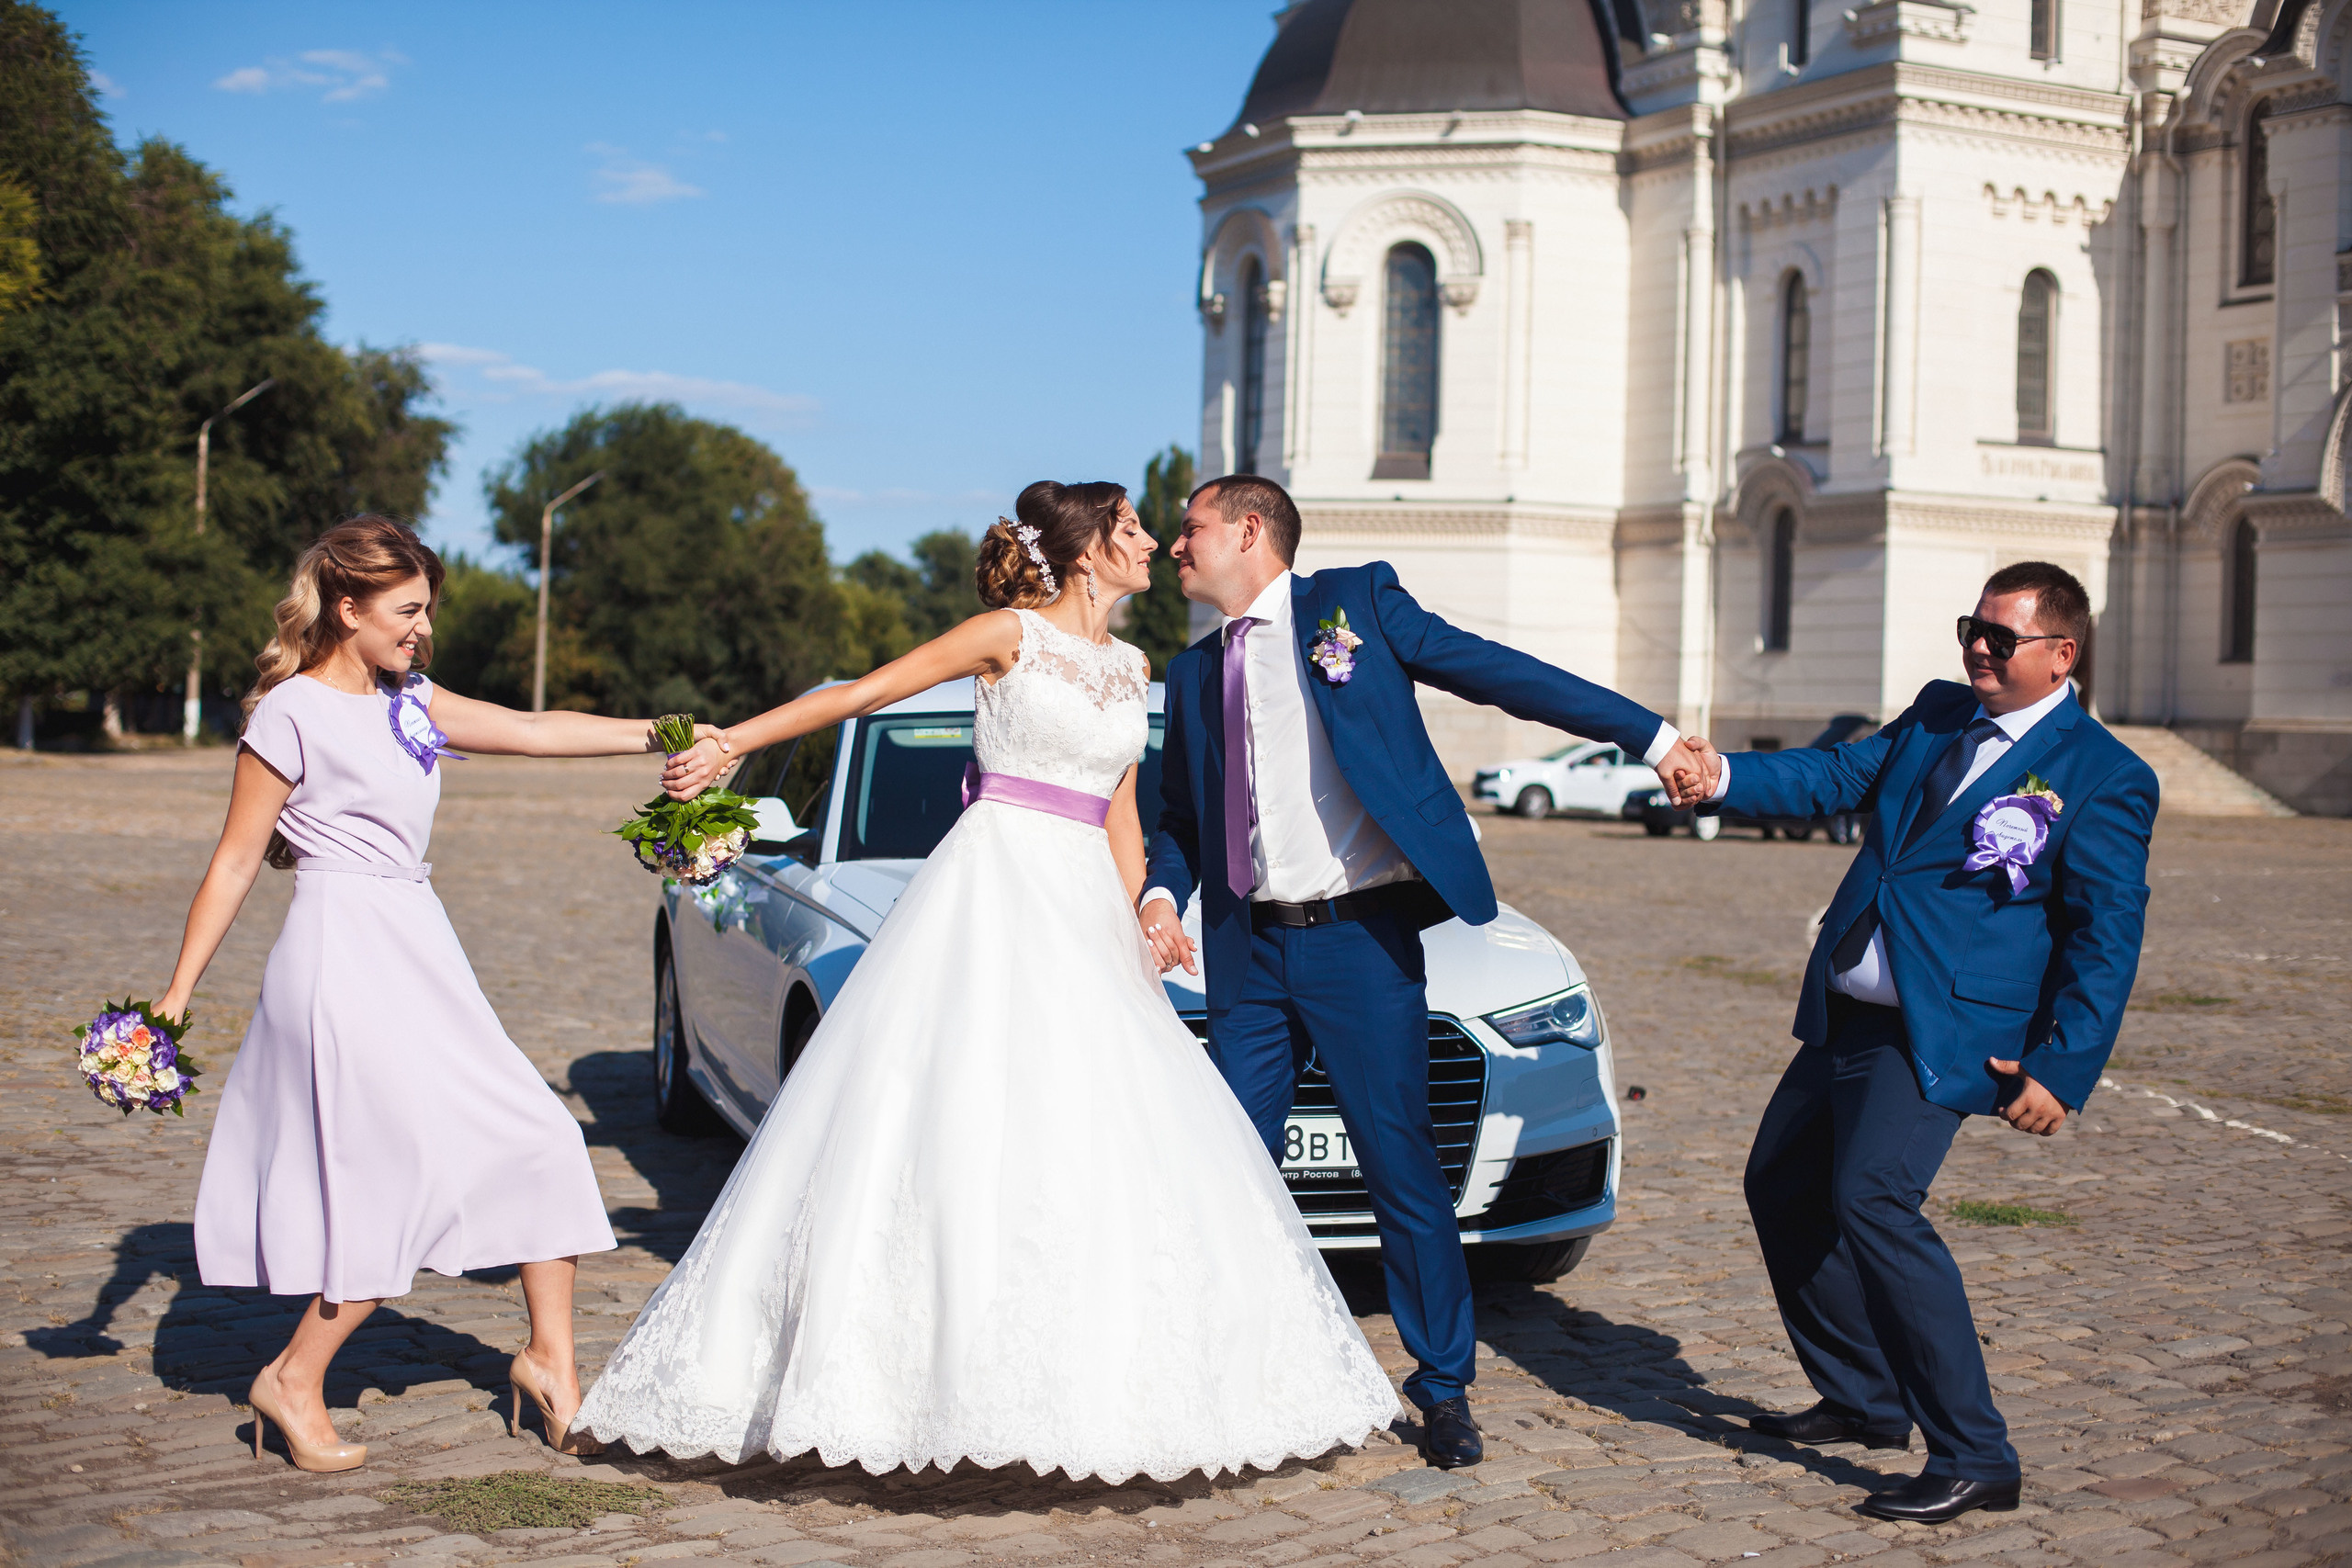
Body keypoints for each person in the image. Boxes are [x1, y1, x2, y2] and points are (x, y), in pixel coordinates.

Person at [578, 480, 1398, 1482]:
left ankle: (1105, 1380)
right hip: (994, 888)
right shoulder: (1007, 635)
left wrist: (1149, 906)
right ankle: (909, 1380)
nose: (1155, 546)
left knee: (1096, 1129)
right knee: (957, 1112)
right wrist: (732, 744)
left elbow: (1121, 809)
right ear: (1089, 549)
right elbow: (859, 694)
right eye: (1135, 529)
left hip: (1086, 911)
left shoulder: (1131, 665)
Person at [1136, 474, 1709, 1469]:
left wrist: (1649, 736)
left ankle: (1442, 1386)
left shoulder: (1351, 605)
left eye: (1189, 530)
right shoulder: (1190, 678)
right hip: (1247, 955)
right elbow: (1178, 824)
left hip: (1359, 944)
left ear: (1248, 530)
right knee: (1223, 1164)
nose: (1176, 549)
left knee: (1402, 1165)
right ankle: (1210, 1366)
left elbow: (1497, 672)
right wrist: (1156, 894)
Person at [162, 515, 705, 1472]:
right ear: (347, 606)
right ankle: (292, 1378)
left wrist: (666, 734)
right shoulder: (289, 713)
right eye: (407, 610)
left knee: (540, 1136)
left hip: (419, 942)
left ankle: (548, 1360)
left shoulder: (407, 700)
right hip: (339, 956)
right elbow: (239, 859)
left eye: (426, 611)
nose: (422, 629)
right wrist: (174, 996)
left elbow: (534, 730)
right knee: (394, 1176)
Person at [1670, 560, 2157, 1523]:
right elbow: (1833, 774)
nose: (1977, 647)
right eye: (1969, 628)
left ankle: (1977, 1454)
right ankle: (1863, 1399)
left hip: (1944, 1031)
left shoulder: (2105, 775)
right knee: (1780, 1186)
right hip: (1851, 1011)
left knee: (1875, 1203)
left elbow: (2106, 935)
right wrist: (1722, 772)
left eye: (2000, 637)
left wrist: (2060, 1066)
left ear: (2061, 654)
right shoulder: (1937, 712)